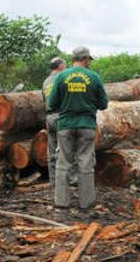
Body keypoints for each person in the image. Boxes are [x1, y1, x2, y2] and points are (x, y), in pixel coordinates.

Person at [47, 46, 108, 210]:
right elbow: (104, 104)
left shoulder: (61, 77)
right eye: (89, 60)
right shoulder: (94, 77)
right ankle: (86, 202)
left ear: (73, 59)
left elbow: (51, 104)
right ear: (86, 59)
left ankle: (61, 201)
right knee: (86, 163)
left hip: (65, 125)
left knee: (63, 163)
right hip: (87, 125)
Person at [41, 57, 77, 191]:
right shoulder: (64, 78)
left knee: (52, 151)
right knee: (68, 149)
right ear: (61, 66)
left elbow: (44, 99)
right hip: (62, 116)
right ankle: (72, 181)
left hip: (49, 117)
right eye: (65, 65)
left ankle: (53, 181)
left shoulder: (45, 82)